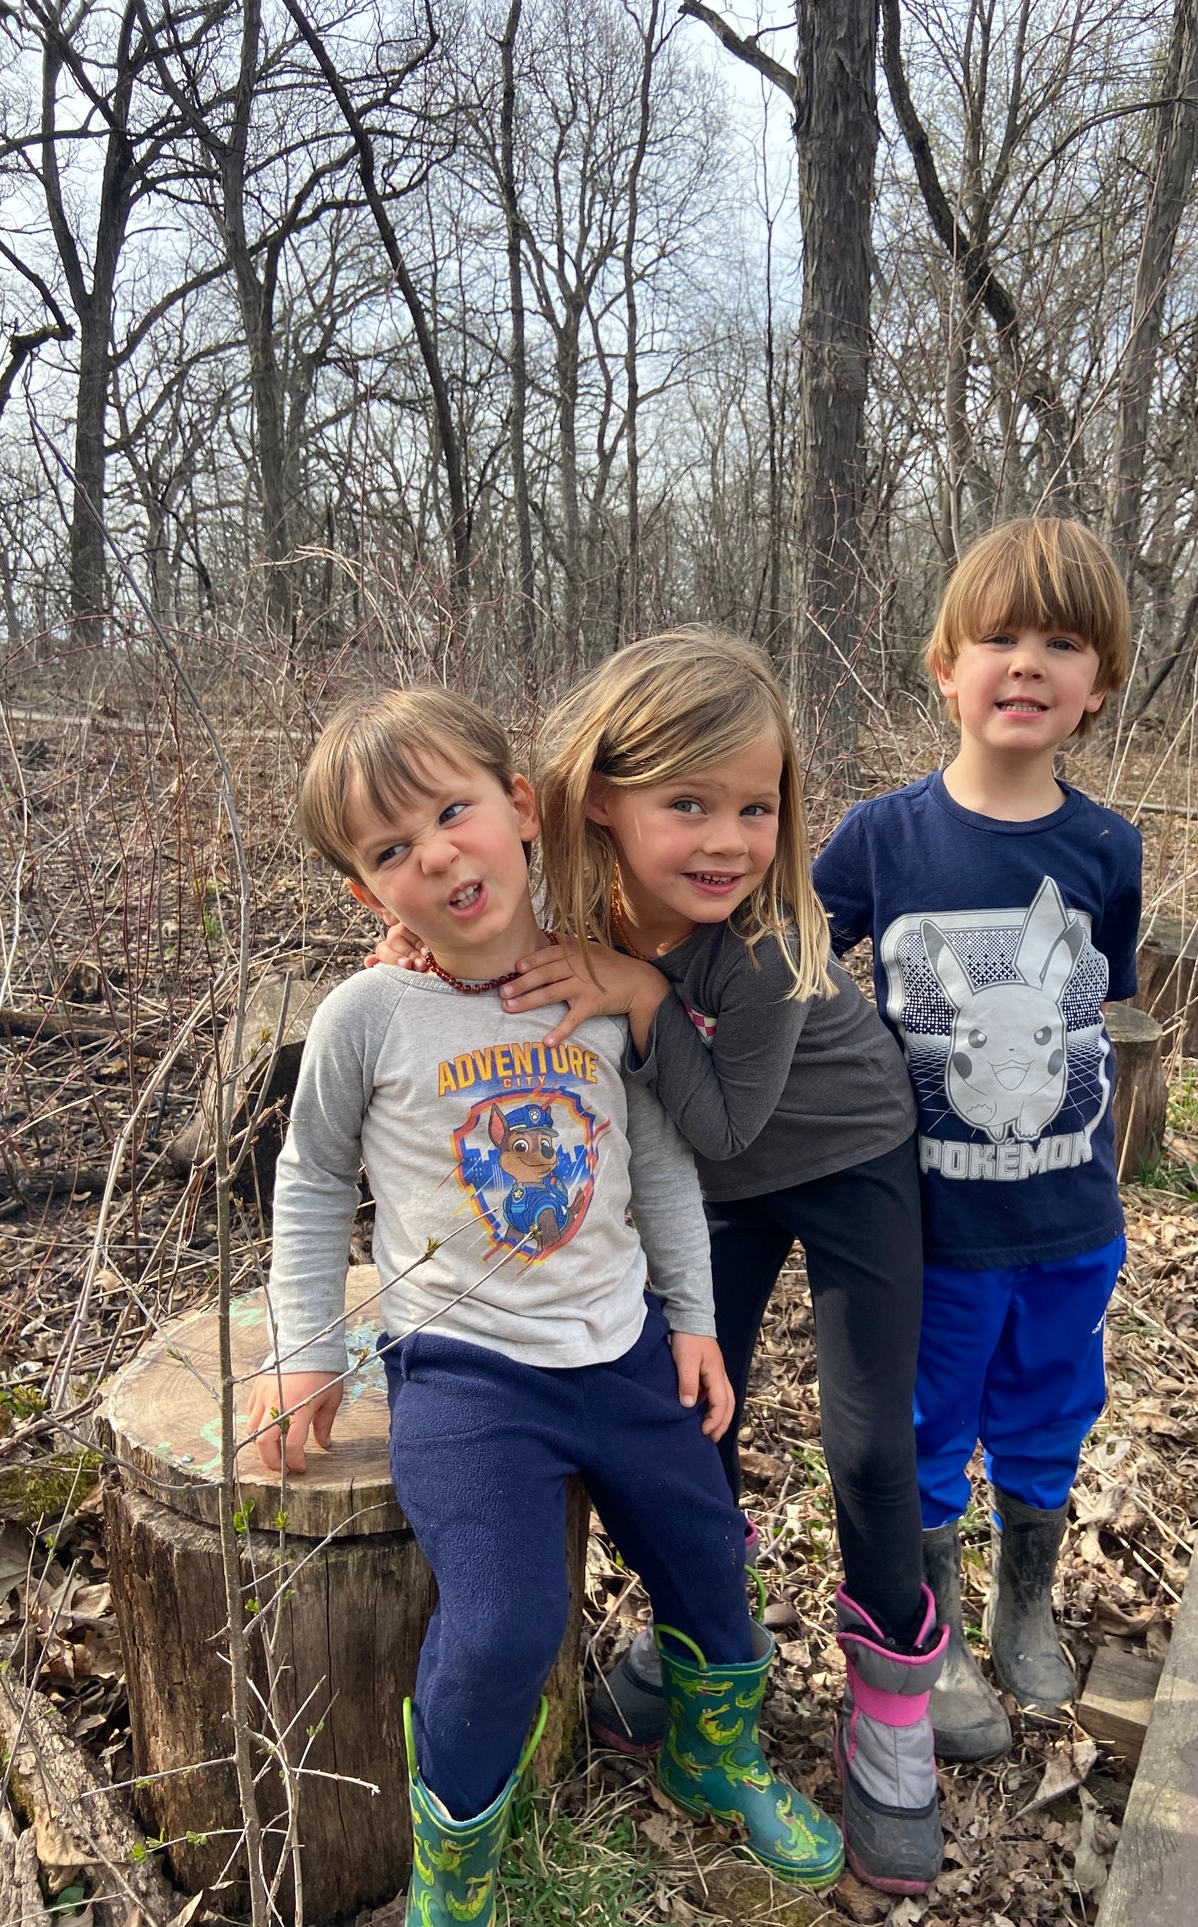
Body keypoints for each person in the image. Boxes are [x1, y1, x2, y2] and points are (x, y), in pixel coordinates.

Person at [245, 688, 844, 1927]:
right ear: (368, 896)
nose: (437, 856)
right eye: (390, 850)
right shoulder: (368, 1014)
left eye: (453, 812)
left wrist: (686, 1315)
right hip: (468, 1375)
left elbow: (663, 1157)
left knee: (709, 1555)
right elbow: (308, 1180)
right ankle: (453, 1869)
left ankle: (711, 1751)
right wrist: (306, 1347)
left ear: (519, 809)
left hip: (618, 1347)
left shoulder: (589, 983)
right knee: (508, 1621)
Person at [496, 633, 945, 1896]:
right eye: (686, 803)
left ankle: (889, 1709)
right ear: (600, 798)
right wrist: (411, 959)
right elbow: (483, 936)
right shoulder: (574, 904)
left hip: (853, 1159)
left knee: (864, 1441)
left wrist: (639, 992)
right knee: (688, 1412)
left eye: (754, 807)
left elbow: (720, 1119)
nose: (726, 839)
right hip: (717, 1193)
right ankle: (706, 1642)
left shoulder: (760, 940)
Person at [813, 517, 1142, 1764]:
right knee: (926, 1419)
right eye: (996, 635)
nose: (1025, 662)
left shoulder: (1103, 848)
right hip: (930, 1227)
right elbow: (781, 954)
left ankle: (1025, 1592)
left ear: (1094, 689)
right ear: (942, 666)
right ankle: (930, 1622)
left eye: (1060, 642)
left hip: (1066, 1215)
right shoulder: (883, 839)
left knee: (1051, 1403)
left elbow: (1096, 995)